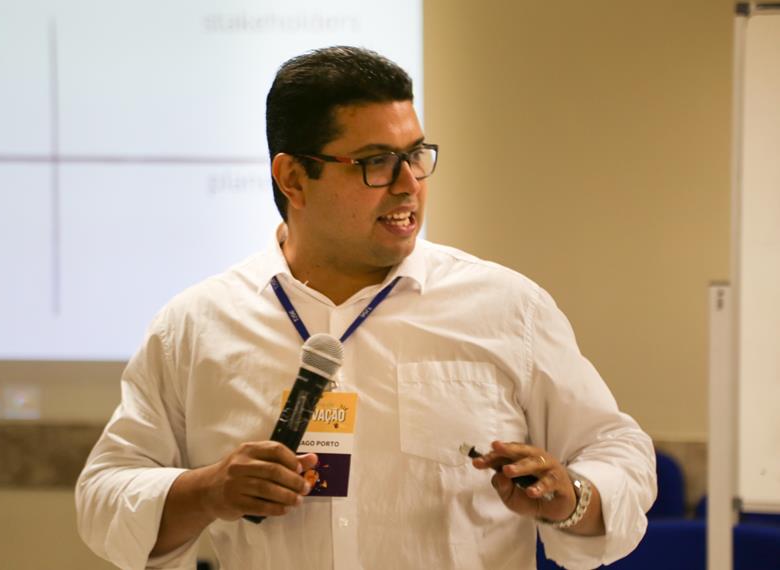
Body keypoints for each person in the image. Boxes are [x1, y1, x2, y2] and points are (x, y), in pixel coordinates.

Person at [76, 46, 656, 570]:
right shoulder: (195, 326)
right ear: (293, 177)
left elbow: (618, 452)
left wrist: (570, 496)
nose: (409, 184)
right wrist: (207, 492)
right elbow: (103, 496)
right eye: (375, 162)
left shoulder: (509, 309)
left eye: (416, 155)